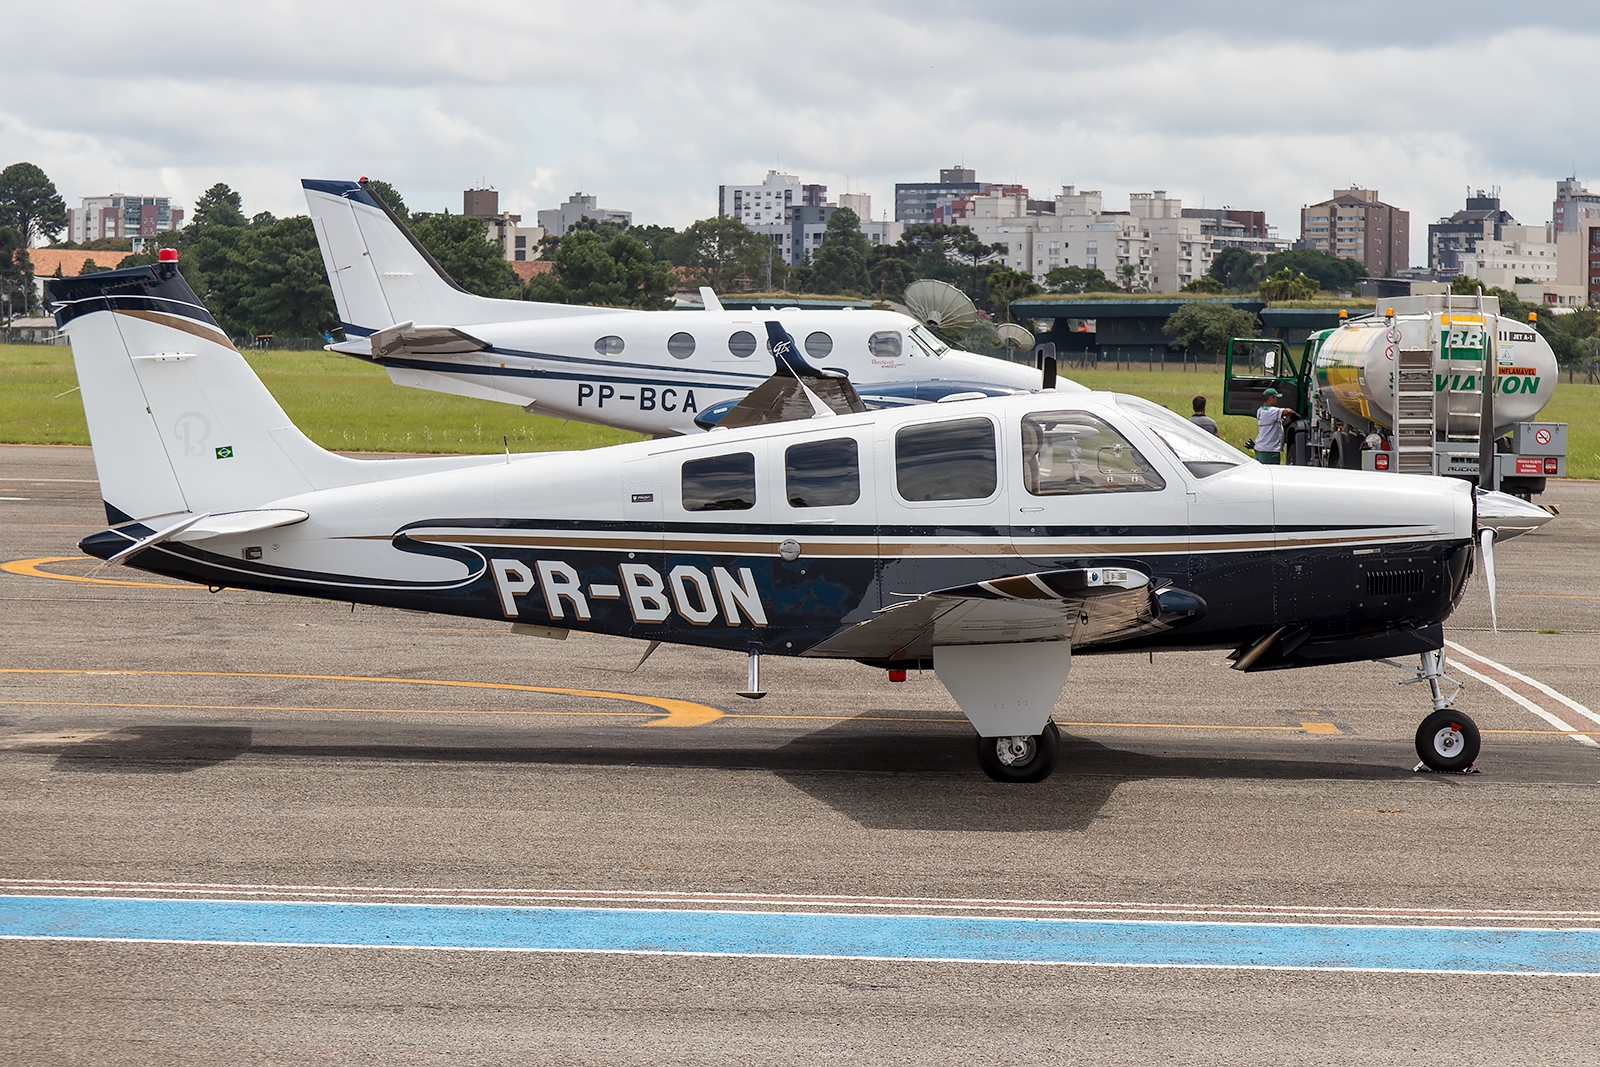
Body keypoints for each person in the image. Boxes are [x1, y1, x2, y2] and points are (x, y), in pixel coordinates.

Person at [1253, 388, 1298, 465]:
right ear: (1271, 398)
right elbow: (1287, 411)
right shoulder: (1271, 411)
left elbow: (1270, 422)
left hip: (1261, 448)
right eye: (1275, 398)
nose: (1277, 400)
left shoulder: (1260, 410)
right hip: (1269, 450)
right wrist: (1297, 415)